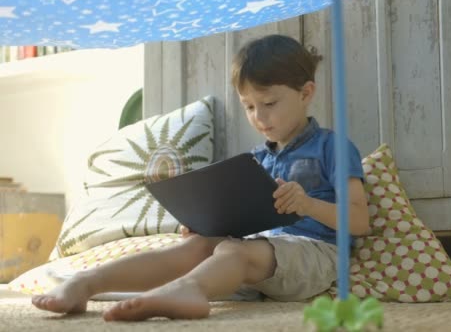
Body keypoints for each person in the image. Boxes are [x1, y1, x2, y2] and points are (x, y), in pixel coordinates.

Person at [31, 34, 370, 321]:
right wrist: (208, 224)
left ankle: (190, 291)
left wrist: (308, 204)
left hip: (315, 254)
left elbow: (359, 221)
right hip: (258, 254)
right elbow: (242, 223)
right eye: (249, 107)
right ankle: (86, 283)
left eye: (269, 103)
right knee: (199, 245)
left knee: (234, 253)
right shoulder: (256, 159)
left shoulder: (332, 146)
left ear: (306, 93)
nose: (259, 117)